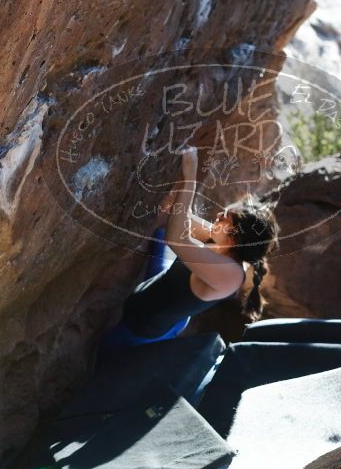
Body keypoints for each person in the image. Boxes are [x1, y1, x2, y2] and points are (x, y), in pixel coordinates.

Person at [101, 147, 279, 350]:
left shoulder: (231, 276)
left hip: (142, 330)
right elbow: (175, 211)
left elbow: (177, 237)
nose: (219, 215)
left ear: (234, 239)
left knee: (104, 355)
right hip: (159, 288)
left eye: (224, 218)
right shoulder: (221, 239)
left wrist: (190, 179)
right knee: (159, 238)